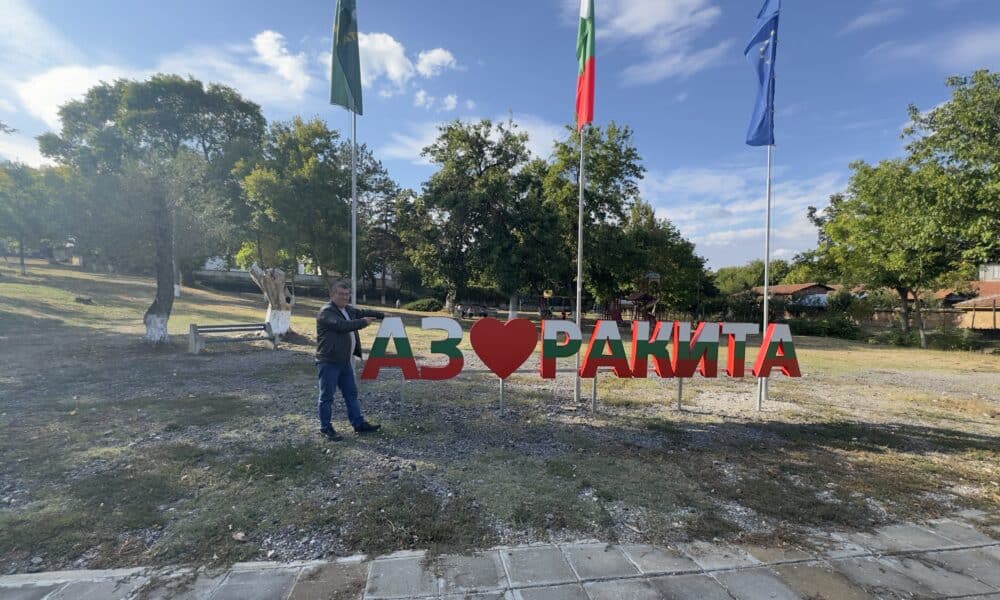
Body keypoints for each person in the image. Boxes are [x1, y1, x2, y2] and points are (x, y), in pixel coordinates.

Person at [315, 281, 385, 441]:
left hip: (345, 362)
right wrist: (363, 322)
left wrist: (382, 315)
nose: (345, 297)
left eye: (347, 294)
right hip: (328, 362)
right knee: (327, 396)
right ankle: (325, 428)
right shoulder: (326, 312)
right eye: (341, 294)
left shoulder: (347, 309)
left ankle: (358, 424)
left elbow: (362, 311)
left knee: (351, 394)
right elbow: (341, 326)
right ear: (332, 295)